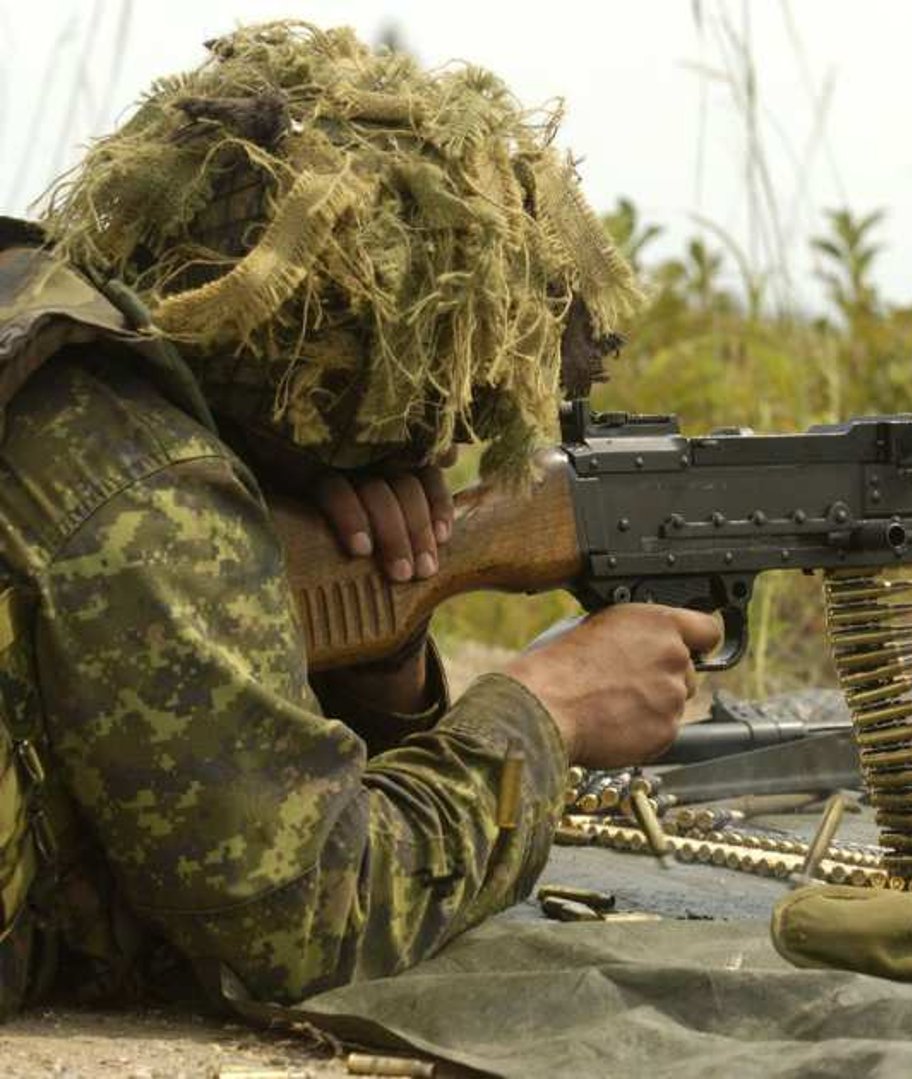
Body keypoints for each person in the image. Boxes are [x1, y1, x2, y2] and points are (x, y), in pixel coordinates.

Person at [0, 22, 719, 1011]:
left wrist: (379, 663)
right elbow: (308, 921)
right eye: (434, 401)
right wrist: (545, 709)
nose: (443, 449)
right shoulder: (152, 497)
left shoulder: (49, 350)